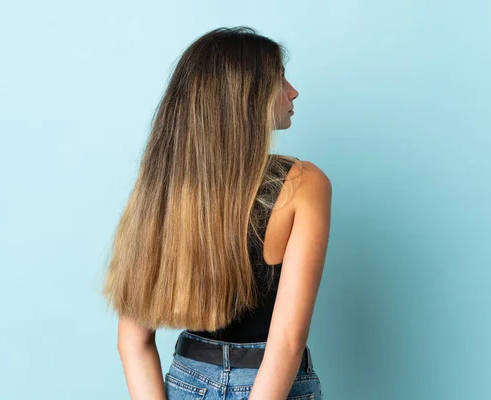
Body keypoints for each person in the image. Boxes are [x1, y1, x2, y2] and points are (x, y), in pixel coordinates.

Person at [102, 26, 332, 400]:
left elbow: (132, 342)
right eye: (279, 80)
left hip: (188, 380)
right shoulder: (303, 183)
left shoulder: (162, 191)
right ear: (246, 98)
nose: (293, 92)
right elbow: (287, 342)